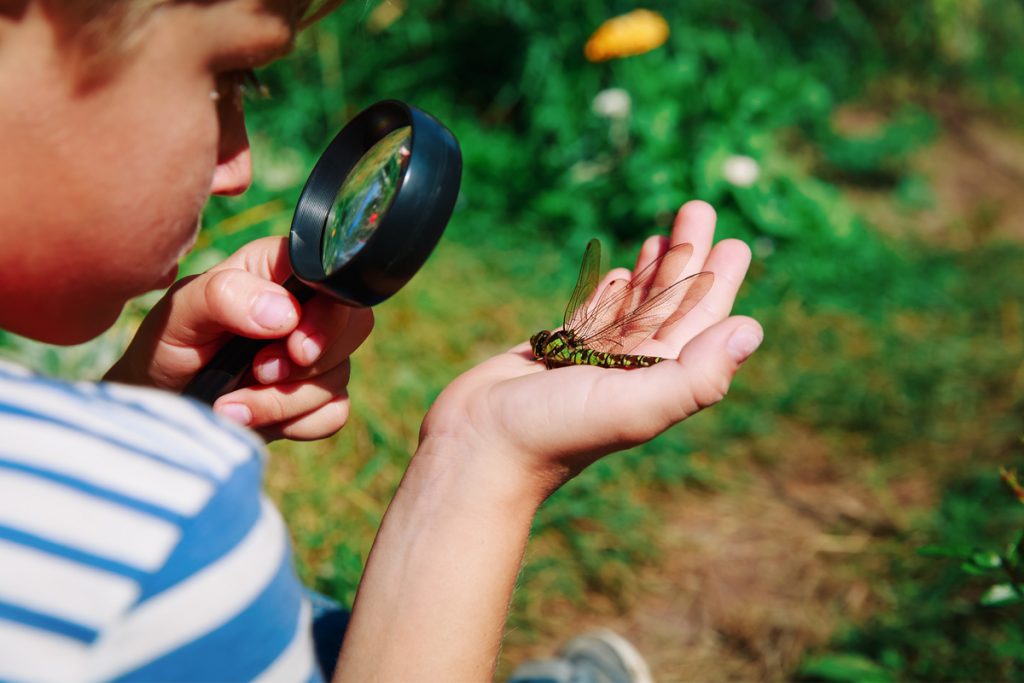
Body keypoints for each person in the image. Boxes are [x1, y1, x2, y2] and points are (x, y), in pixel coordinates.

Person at [0, 0, 763, 680]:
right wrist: (483, 467)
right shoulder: (165, 540)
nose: (241, 166)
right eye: (224, 79)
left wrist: (133, 411)